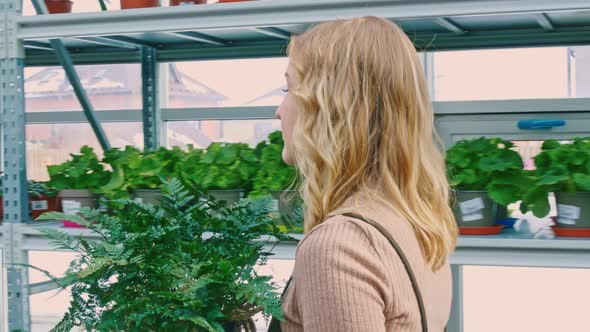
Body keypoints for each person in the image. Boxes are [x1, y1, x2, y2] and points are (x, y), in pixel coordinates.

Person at [273, 16, 458, 332]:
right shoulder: (420, 221)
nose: (279, 109)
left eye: (288, 88)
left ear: (330, 107)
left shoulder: (339, 246)